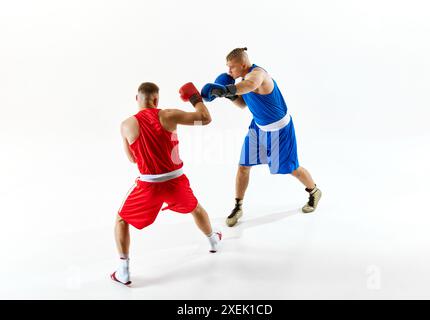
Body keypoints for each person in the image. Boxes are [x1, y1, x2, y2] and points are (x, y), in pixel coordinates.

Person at [111, 82, 222, 286]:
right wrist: (194, 98)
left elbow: (132, 160)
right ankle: (213, 240)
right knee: (195, 207)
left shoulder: (126, 125)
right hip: (176, 181)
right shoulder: (169, 115)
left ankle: (124, 270)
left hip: (149, 186)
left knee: (121, 220)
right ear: (156, 100)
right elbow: (205, 119)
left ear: (138, 99)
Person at [202, 47, 322, 227]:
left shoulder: (258, 74)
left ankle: (314, 191)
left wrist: (226, 90)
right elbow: (243, 104)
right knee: (243, 166)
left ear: (243, 64)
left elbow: (250, 85)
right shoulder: (242, 79)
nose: (229, 72)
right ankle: (238, 206)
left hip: (280, 131)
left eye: (231, 67)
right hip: (257, 129)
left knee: (291, 169)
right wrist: (229, 96)